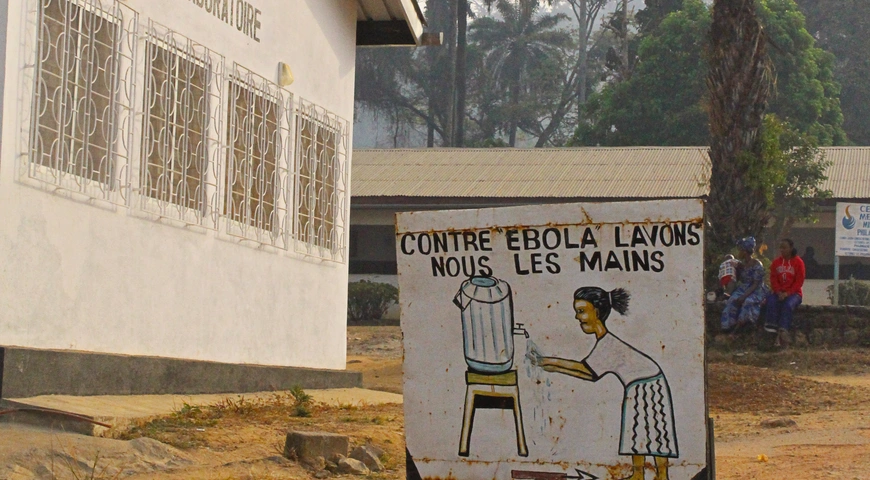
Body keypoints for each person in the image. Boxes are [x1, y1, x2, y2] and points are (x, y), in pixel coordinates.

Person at [528, 287, 677, 480]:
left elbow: (585, 369)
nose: (577, 317)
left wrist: (547, 362)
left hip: (647, 384)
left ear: (596, 312)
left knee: (650, 428)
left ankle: (659, 475)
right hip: (643, 383)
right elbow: (590, 375)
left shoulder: (608, 345)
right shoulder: (606, 343)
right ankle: (641, 475)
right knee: (640, 428)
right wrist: (551, 367)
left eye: (581, 311)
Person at [720, 237, 769, 333]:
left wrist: (744, 296)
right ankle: (728, 327)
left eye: (740, 250)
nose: (738, 253)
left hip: (755, 289)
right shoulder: (741, 264)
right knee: (732, 301)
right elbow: (739, 279)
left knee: (748, 302)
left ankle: (740, 328)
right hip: (743, 288)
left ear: (745, 251)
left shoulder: (757, 264)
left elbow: (755, 284)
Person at [765, 238, 805, 347]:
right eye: (780, 248)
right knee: (771, 302)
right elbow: (773, 279)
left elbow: (799, 282)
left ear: (791, 248)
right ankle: (771, 331)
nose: (782, 250)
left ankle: (783, 331)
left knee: (787, 305)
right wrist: (778, 292)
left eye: (784, 247)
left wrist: (787, 293)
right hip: (778, 292)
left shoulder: (798, 262)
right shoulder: (776, 263)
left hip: (794, 294)